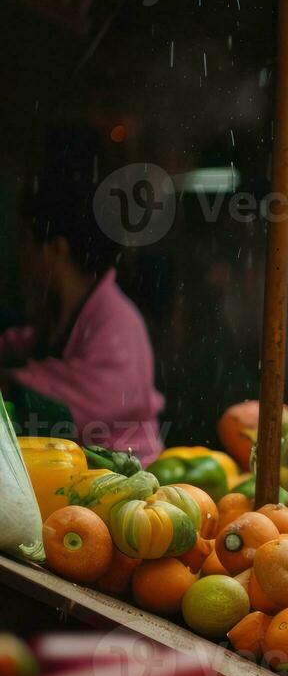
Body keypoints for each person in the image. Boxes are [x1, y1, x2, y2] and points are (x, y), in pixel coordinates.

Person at [1, 127, 164, 461]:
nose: (20, 253)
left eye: (26, 241)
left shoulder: (118, 322)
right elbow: (24, 345)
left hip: (131, 488)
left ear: (54, 249)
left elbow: (67, 403)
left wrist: (9, 380)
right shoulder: (60, 314)